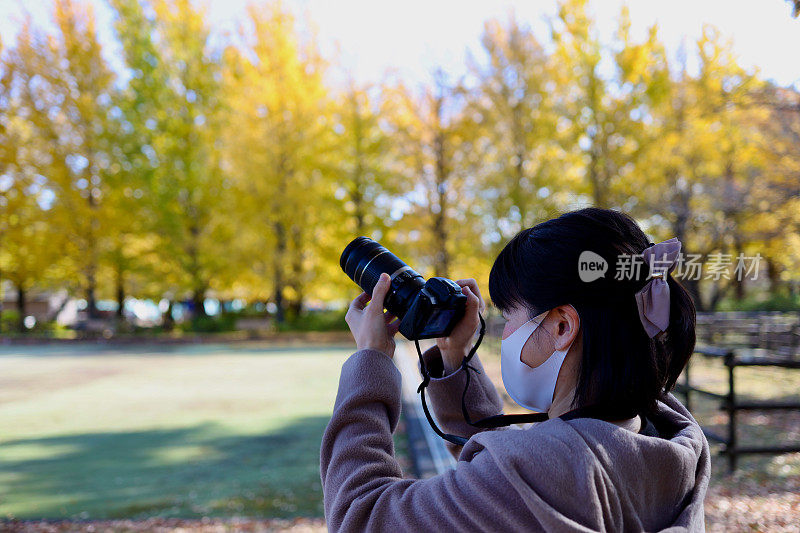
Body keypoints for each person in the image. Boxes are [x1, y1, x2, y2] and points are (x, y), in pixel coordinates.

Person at [320, 207, 711, 532]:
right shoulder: (663, 441)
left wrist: (370, 359)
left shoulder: (550, 472)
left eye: (510, 315)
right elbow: (505, 486)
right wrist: (456, 358)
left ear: (562, 326)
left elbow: (361, 515)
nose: (505, 331)